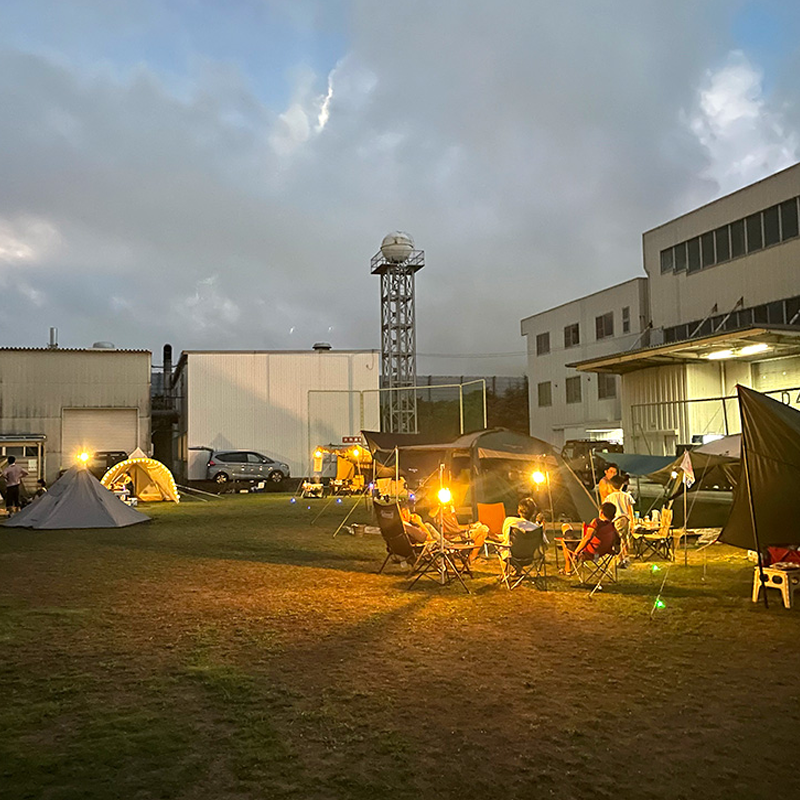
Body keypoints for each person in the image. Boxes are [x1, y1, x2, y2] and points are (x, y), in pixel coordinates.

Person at [605, 474, 635, 566]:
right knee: (625, 538)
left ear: (611, 486)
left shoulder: (610, 497)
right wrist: (632, 521)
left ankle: (621, 558)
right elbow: (630, 510)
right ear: (622, 485)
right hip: (625, 520)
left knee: (618, 539)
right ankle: (625, 556)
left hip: (616, 520)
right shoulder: (627, 496)